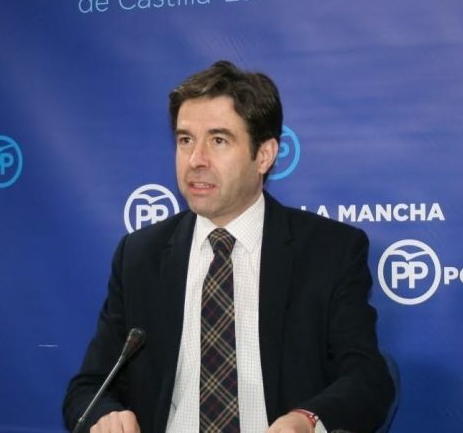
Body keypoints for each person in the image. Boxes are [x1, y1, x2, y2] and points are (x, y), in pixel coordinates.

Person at [63, 61, 395, 433]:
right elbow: (88, 388)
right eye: (185, 140)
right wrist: (106, 415)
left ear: (264, 155)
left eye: (218, 140)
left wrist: (307, 420)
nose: (196, 160)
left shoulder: (330, 251)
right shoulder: (140, 256)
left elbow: (368, 378)